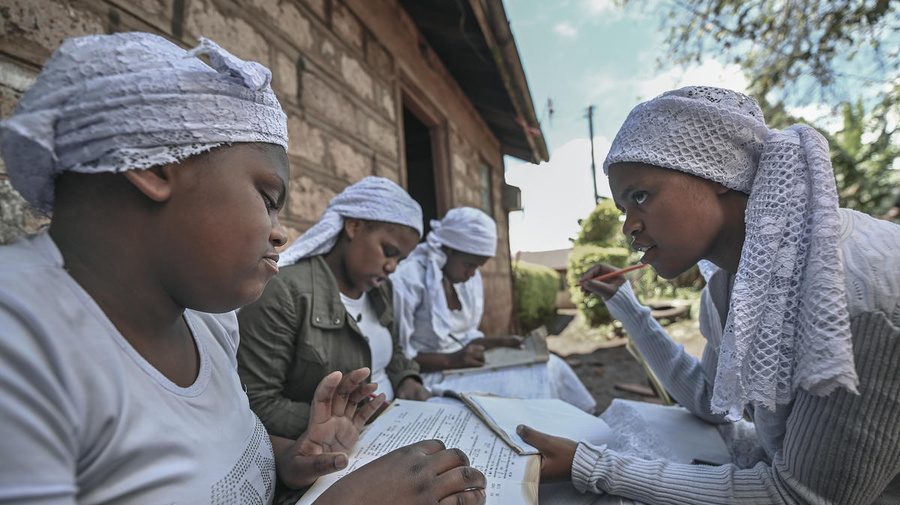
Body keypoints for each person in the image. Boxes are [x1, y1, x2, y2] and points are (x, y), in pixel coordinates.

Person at [0, 32, 486, 505]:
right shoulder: (21, 341)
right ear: (153, 167)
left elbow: (228, 459)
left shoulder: (208, 320)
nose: (280, 233)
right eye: (269, 199)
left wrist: (294, 458)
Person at [517, 86, 900, 504]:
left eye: (640, 196)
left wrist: (593, 466)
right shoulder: (730, 282)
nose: (628, 227)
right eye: (623, 209)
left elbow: (800, 498)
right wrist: (624, 303)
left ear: (717, 173)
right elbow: (710, 399)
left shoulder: (856, 294)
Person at [237, 176, 432, 443]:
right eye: (388, 251)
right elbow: (257, 401)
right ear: (354, 226)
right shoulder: (286, 294)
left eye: (401, 259)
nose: (392, 267)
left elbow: (394, 352)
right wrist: (352, 420)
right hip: (336, 446)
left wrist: (409, 382)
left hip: (396, 427)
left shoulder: (380, 290)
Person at [391, 207, 596, 412]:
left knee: (552, 365)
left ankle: (581, 427)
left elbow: (462, 338)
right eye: (468, 264)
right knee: (528, 386)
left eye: (477, 267)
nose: (471, 274)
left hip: (463, 366)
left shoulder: (466, 281)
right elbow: (398, 358)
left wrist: (499, 342)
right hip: (433, 375)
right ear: (448, 249)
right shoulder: (408, 280)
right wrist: (450, 359)